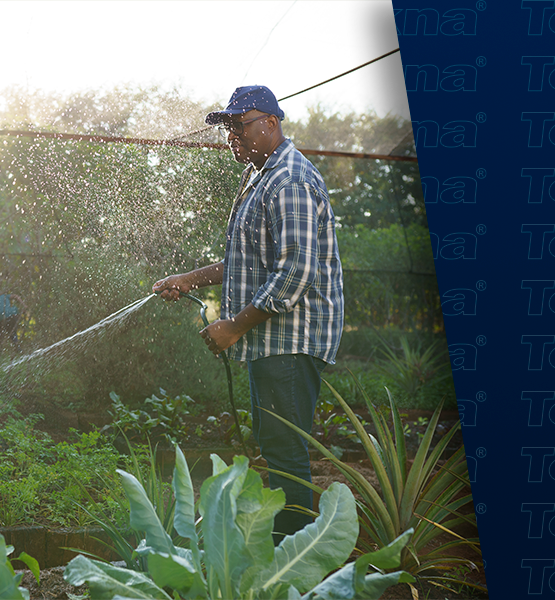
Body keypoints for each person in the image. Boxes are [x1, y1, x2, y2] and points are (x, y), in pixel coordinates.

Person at [152, 85, 344, 539]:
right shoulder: (261, 175)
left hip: (291, 340)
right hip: (272, 339)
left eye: (240, 125)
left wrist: (234, 327)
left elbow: (297, 271)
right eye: (228, 129)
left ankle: (295, 555)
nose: (232, 136)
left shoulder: (290, 179)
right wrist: (187, 280)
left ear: (271, 124)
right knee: (276, 444)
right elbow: (244, 260)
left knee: (285, 450)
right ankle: (288, 545)